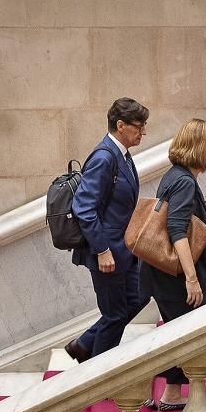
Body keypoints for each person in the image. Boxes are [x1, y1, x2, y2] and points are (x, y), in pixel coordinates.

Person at [141, 119, 206, 411]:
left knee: (178, 330)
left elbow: (184, 222)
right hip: (177, 276)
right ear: (203, 148)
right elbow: (177, 230)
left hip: (167, 274)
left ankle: (172, 394)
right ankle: (172, 389)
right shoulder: (183, 181)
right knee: (186, 334)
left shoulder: (177, 176)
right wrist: (192, 280)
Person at [65, 98, 151, 363]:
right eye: (139, 126)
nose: (143, 132)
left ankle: (84, 344)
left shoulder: (122, 155)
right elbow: (83, 208)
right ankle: (98, 375)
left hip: (124, 251)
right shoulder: (104, 158)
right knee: (114, 314)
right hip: (108, 254)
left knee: (138, 297)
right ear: (121, 125)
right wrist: (102, 249)